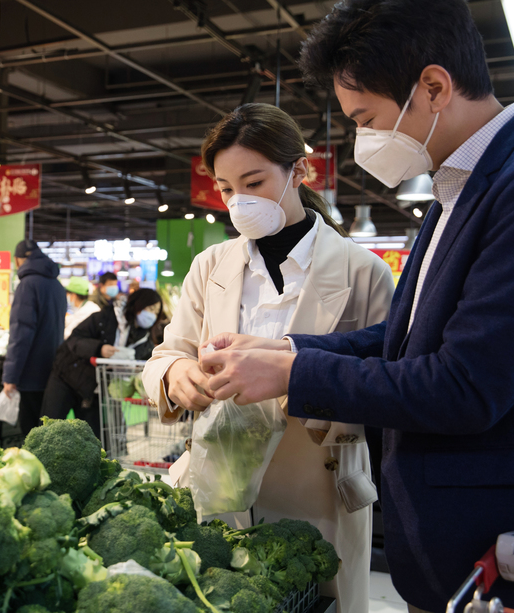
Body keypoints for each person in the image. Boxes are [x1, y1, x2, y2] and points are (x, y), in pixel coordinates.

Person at [197, 1, 514, 611]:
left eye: (366, 119)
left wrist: (295, 372)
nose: (363, 139)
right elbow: (403, 337)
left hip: (504, 547)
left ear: (434, 87)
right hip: (457, 548)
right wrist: (292, 349)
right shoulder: (459, 190)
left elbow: (465, 384)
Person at [141, 102, 393, 612]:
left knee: (315, 599)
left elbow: (385, 379)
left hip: (319, 486)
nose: (238, 201)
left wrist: (294, 378)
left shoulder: (363, 271)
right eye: (227, 188)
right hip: (219, 480)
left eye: (253, 182)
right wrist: (176, 374)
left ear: (299, 170)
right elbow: (166, 352)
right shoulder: (211, 265)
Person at [42, 288, 163, 442]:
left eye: (156, 311)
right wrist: (99, 348)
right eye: (150, 308)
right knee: (50, 428)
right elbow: (74, 340)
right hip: (67, 376)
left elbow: (144, 364)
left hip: (94, 389)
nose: (152, 315)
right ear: (137, 305)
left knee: (90, 440)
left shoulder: (145, 340)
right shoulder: (104, 318)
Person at [2, 239, 67, 435]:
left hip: (31, 372)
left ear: (17, 260)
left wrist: (10, 376)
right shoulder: (57, 285)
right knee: (46, 432)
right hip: (52, 368)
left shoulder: (27, 285)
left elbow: (21, 333)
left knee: (31, 433)